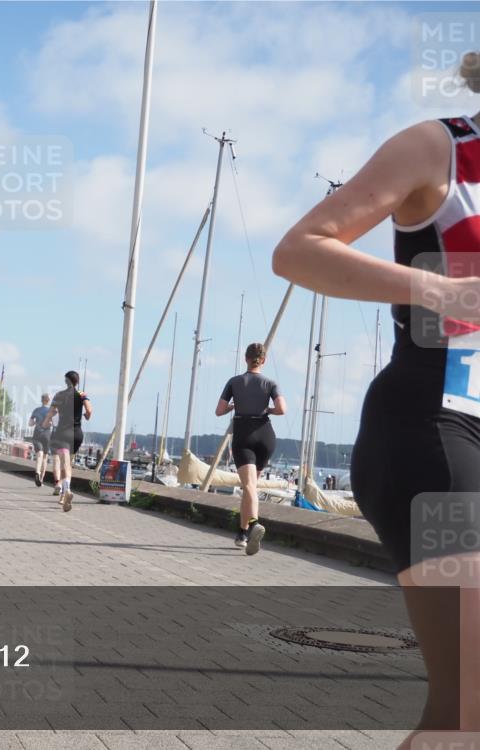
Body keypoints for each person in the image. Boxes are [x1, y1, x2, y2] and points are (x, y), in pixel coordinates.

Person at [272, 53, 480, 742]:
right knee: (467, 712)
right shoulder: (438, 147)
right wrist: (439, 290)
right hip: (434, 435)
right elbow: (298, 250)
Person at [215, 343, 287, 556]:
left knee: (249, 487)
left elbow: (219, 410)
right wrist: (267, 410)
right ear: (263, 360)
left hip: (244, 434)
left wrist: (233, 405)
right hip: (265, 435)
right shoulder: (270, 383)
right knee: (250, 488)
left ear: (245, 359)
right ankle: (242, 534)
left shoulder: (234, 382)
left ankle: (254, 524)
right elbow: (282, 409)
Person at [43, 371, 92, 512]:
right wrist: (86, 416)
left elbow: (51, 412)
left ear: (66, 381)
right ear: (77, 382)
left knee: (64, 464)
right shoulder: (81, 394)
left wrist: (45, 422)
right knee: (68, 464)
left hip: (63, 434)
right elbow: (89, 410)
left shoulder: (59, 395)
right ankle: (64, 495)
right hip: (77, 434)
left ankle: (67, 490)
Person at [28, 393, 52, 487]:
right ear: (48, 400)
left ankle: (37, 472)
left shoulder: (36, 410)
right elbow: (52, 423)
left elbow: (30, 423)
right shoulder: (51, 411)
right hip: (47, 435)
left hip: (37, 434)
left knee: (39, 455)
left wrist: (36, 422)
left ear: (42, 400)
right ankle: (41, 479)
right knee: (45, 457)